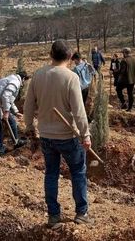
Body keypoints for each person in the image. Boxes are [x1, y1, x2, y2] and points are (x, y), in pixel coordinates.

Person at [23, 40, 92, 228]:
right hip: (68, 136)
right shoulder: (71, 77)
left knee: (51, 174)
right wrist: (85, 135)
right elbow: (79, 111)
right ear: (70, 57)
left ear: (50, 54)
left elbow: (28, 105)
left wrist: (29, 126)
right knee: (78, 172)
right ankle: (81, 213)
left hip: (46, 135)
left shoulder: (38, 75)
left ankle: (53, 216)